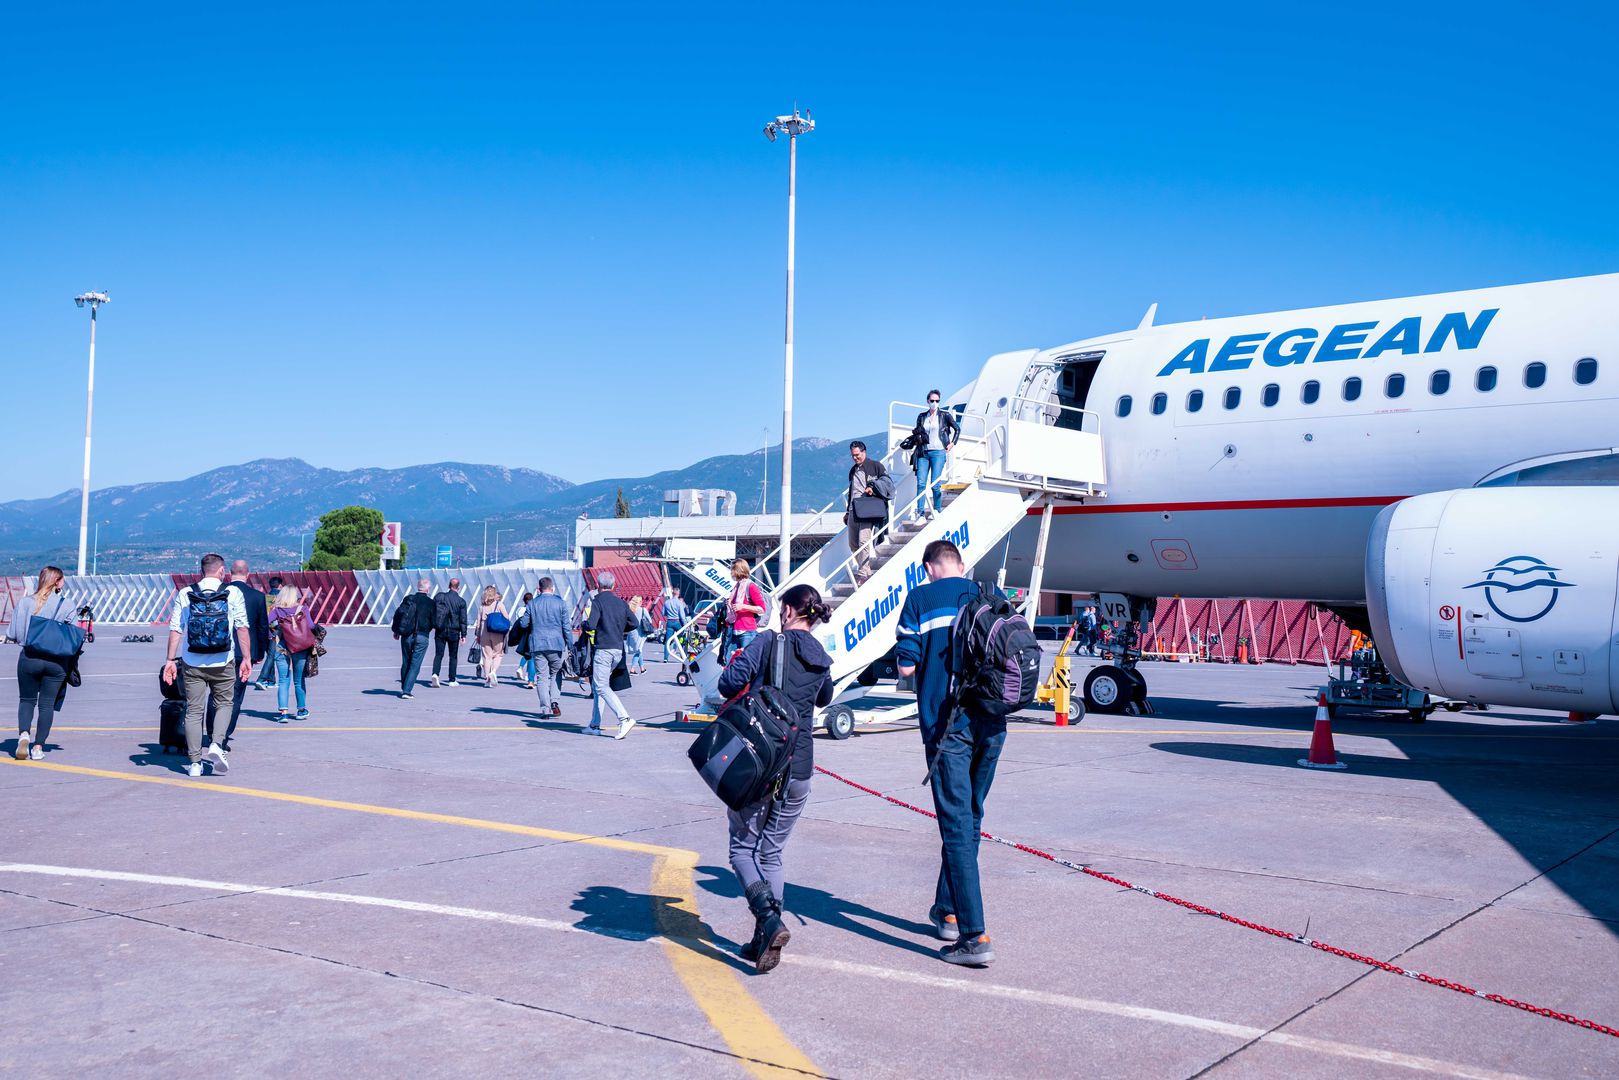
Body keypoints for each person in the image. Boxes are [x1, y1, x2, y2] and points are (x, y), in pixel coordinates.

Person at [895, 539, 1003, 967]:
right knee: (970, 818)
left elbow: (906, 666)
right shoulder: (986, 594)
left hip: (948, 727)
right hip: (992, 724)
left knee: (956, 826)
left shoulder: (920, 599)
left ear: (929, 568)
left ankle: (974, 936)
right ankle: (948, 910)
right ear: (960, 564)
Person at [716, 584, 834, 973]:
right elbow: (824, 698)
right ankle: (762, 939)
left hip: (761, 765)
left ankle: (769, 921)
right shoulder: (821, 657)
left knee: (742, 849)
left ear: (787, 611)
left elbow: (727, 683)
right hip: (799, 769)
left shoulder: (768, 642)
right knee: (772, 852)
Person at [162, 553, 251, 778]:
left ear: (201, 571)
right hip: (223, 659)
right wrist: (247, 658)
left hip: (193, 661)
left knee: (194, 710)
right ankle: (216, 744)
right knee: (224, 703)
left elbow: (176, 629)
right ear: (221, 571)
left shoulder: (186, 593)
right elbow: (242, 627)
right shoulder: (233, 592)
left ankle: (194, 763)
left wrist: (170, 660)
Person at [7, 565, 79, 761]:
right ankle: (38, 748)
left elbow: (13, 634)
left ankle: (24, 735)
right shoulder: (67, 605)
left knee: (26, 700)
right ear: (57, 583)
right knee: (46, 705)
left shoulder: (25, 603)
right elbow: (74, 636)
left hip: (30, 657)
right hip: (56, 662)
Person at [215, 559, 269, 752]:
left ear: (230, 573)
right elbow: (262, 628)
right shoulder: (258, 596)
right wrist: (260, 652)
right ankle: (222, 737)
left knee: (216, 693)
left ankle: (212, 732)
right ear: (248, 574)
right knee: (235, 696)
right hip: (245, 653)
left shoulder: (221, 592)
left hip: (220, 649)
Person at [582, 571, 638, 738]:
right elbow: (634, 622)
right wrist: (619, 629)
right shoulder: (621, 603)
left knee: (600, 686)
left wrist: (584, 624)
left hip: (604, 649)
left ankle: (624, 718)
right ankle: (595, 724)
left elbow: (591, 625)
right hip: (618, 649)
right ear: (613, 586)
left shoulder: (597, 601)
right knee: (598, 686)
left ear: (598, 585)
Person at [517, 576, 570, 718]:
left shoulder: (532, 603)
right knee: (556, 673)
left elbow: (523, 623)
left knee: (541, 677)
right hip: (556, 644)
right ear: (552, 588)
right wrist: (570, 644)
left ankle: (545, 709)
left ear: (539, 589)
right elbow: (566, 626)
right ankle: (554, 701)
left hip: (538, 644)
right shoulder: (561, 603)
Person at [844, 440, 893, 585]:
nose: (855, 458)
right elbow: (851, 491)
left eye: (857, 455)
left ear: (864, 452)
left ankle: (862, 574)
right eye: (853, 455)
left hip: (867, 509)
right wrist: (847, 512)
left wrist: (874, 488)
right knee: (853, 544)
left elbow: (888, 483)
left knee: (863, 541)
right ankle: (866, 570)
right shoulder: (853, 470)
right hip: (853, 509)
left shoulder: (876, 466)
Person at [910, 389, 960, 521]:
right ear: (928, 401)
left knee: (935, 484)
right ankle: (920, 514)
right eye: (932, 400)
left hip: (938, 452)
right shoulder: (922, 417)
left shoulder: (945, 415)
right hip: (923, 453)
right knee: (921, 483)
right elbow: (918, 432)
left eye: (937, 401)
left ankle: (937, 509)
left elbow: (957, 429)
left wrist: (952, 443)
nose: (934, 403)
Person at [268, 584, 314, 719]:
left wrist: (271, 636)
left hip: (282, 646)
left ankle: (283, 713)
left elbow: (266, 623)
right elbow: (311, 626)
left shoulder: (277, 610)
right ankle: (301, 710)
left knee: (283, 680)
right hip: (300, 647)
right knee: (299, 680)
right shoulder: (303, 609)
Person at [391, 579, 436, 698]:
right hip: (422, 636)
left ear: (418, 587)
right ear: (427, 589)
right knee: (415, 664)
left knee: (406, 661)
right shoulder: (431, 603)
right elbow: (435, 621)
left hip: (406, 635)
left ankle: (404, 686)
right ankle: (407, 690)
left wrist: (397, 631)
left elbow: (399, 614)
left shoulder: (408, 599)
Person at [431, 577, 469, 687]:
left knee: (439, 654)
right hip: (454, 631)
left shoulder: (440, 597)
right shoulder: (461, 601)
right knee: (453, 656)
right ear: (458, 587)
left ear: (449, 586)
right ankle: (452, 680)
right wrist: (464, 635)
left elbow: (433, 610)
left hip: (440, 630)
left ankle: (435, 674)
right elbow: (463, 619)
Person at [723, 560, 767, 657]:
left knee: (746, 661)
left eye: (732, 569)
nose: (731, 572)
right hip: (734, 631)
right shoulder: (737, 587)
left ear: (739, 570)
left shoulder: (750, 586)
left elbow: (762, 609)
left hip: (747, 632)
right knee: (729, 661)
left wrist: (743, 606)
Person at [254, 575, 284, 690]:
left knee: (269, 655)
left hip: (264, 629)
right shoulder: (281, 598)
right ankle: (261, 679)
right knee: (272, 655)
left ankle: (271, 681)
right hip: (275, 630)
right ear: (280, 585)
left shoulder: (264, 597)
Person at [475, 585, 509, 688]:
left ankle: (487, 680)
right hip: (497, 631)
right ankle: (493, 672)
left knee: (487, 656)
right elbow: (507, 618)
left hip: (484, 632)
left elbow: (478, 623)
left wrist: (478, 635)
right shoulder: (499, 604)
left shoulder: (482, 607)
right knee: (498, 654)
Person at [660, 587, 690, 663]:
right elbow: (682, 616)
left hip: (669, 622)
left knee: (667, 641)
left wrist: (669, 613)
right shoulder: (679, 603)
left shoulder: (667, 602)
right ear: (678, 593)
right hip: (677, 622)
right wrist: (685, 625)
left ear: (673, 593)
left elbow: (663, 613)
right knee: (681, 638)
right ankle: (680, 653)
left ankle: (665, 658)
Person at [516, 590, 538, 687]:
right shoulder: (533, 608)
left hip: (524, 634)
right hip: (534, 634)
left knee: (528, 655)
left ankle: (529, 679)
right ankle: (530, 676)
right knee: (532, 657)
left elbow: (521, 623)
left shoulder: (520, 610)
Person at [626, 595, 650, 674]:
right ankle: (632, 669)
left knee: (639, 649)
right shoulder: (643, 610)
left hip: (631, 633)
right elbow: (649, 620)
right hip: (640, 633)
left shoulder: (629, 609)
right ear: (639, 602)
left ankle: (642, 668)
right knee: (638, 650)